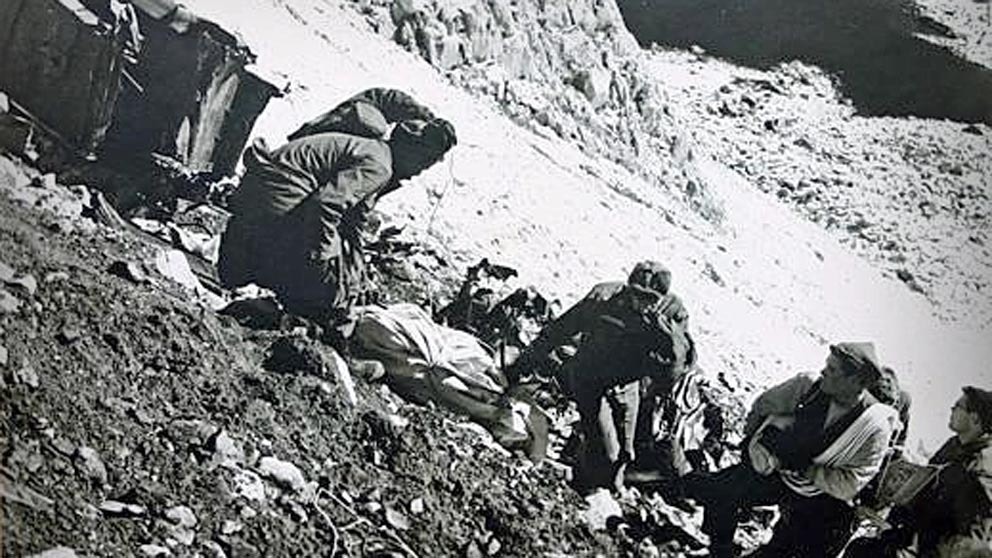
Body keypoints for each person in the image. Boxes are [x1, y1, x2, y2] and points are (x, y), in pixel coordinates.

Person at [217, 99, 456, 336]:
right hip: (274, 205)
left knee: (337, 272)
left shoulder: (374, 152)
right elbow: (326, 205)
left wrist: (359, 271)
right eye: (424, 162)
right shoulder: (379, 165)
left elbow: (354, 225)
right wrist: (320, 263)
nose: (418, 172)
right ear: (411, 149)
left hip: (259, 197)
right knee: (330, 290)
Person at [688, 342, 897, 558]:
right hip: (779, 473)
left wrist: (804, 467)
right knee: (723, 492)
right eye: (828, 365)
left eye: (833, 370)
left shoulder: (874, 427)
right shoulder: (807, 386)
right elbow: (763, 406)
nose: (824, 371)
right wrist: (754, 446)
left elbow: (851, 483)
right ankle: (721, 550)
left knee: (797, 547)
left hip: (820, 495)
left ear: (856, 382)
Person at [508, 261, 694, 493]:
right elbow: (559, 330)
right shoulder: (603, 298)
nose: (642, 304)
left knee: (627, 450)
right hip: (590, 379)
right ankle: (587, 476)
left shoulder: (672, 312)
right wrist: (521, 364)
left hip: (628, 385)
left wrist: (665, 336)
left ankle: (607, 480)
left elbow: (678, 367)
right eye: (637, 295)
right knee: (608, 454)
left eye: (650, 299)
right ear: (628, 288)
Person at [846, 386, 992, 558]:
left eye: (958, 407)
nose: (952, 409)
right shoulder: (954, 446)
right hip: (904, 536)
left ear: (974, 418)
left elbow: (973, 542)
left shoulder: (981, 468)